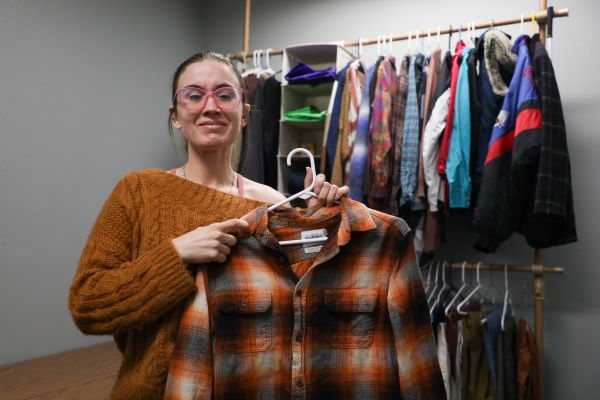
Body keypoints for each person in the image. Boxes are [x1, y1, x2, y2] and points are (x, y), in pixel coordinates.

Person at [68, 51, 349, 399]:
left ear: (244, 114)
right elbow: (88, 305)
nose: (210, 106)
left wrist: (318, 227)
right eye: (194, 94)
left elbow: (299, 316)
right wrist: (177, 254)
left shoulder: (272, 204)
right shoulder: (138, 192)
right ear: (175, 116)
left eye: (225, 94)